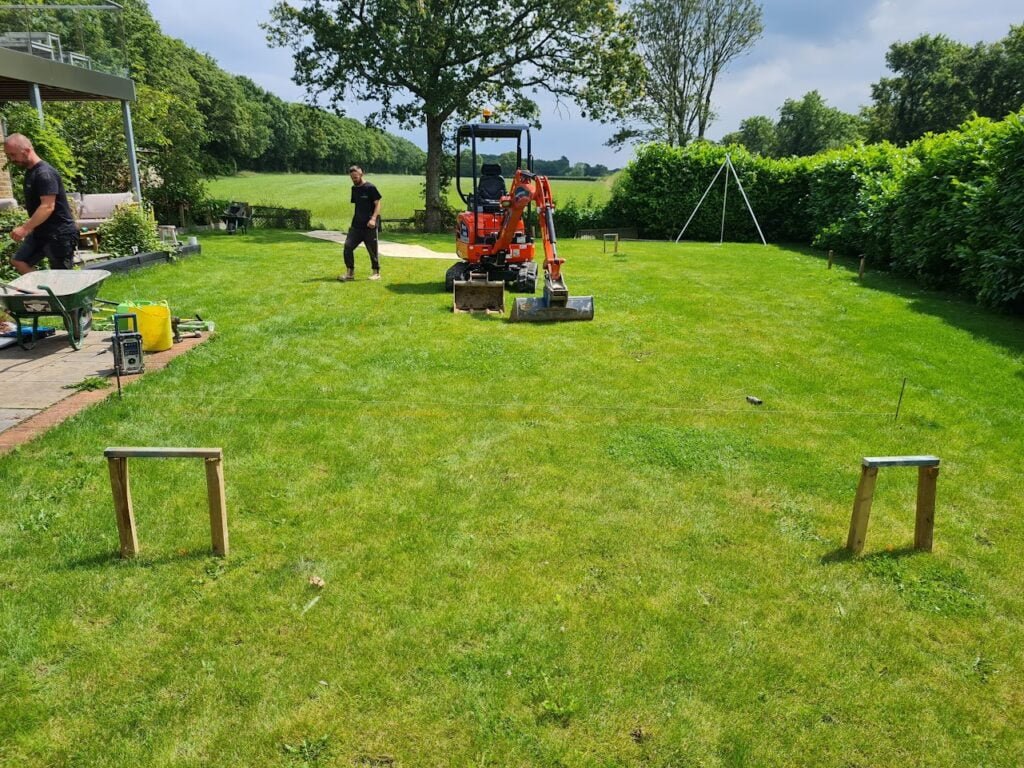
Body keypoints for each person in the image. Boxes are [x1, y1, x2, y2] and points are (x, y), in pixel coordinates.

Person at [3, 133, 80, 275]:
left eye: (13, 155)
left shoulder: (45, 174)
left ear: (26, 151)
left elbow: (47, 206)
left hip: (59, 233)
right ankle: (43, 294)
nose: (11, 159)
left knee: (63, 276)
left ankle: (60, 296)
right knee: (20, 261)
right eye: (9, 155)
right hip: (41, 232)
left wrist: (24, 228)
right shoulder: (31, 173)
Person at [340, 164, 382, 281]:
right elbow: (358, 206)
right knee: (347, 247)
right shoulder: (354, 189)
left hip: (369, 226)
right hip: (356, 226)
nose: (354, 180)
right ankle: (350, 273)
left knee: (372, 250)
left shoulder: (370, 188)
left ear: (361, 174)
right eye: (352, 178)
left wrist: (373, 219)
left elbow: (378, 204)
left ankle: (376, 273)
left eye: (355, 177)